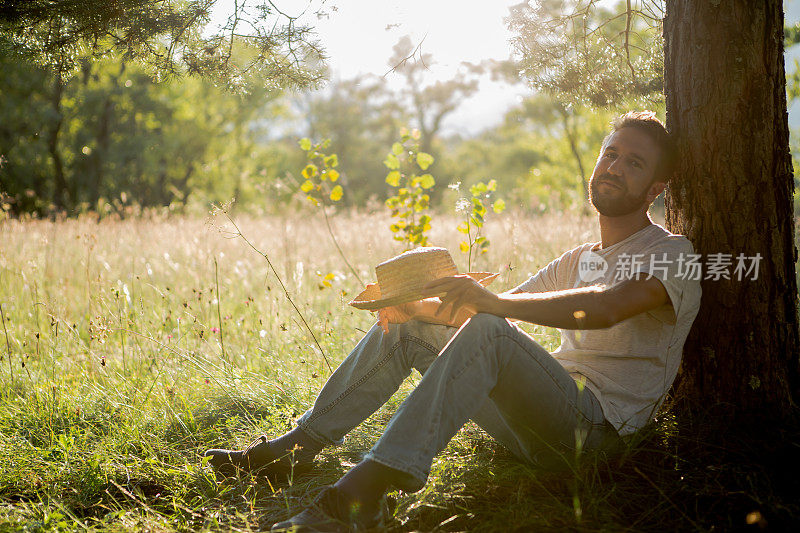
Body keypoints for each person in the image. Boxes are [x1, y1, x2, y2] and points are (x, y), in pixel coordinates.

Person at [204, 111, 702, 532]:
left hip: (598, 434)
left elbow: (606, 307)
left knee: (489, 327)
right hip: (536, 423)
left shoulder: (674, 254)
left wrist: (491, 306)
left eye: (633, 163)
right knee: (414, 327)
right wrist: (412, 311)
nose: (615, 168)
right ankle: (295, 449)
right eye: (611, 154)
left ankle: (362, 494)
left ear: (656, 188)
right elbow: (486, 310)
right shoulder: (576, 258)